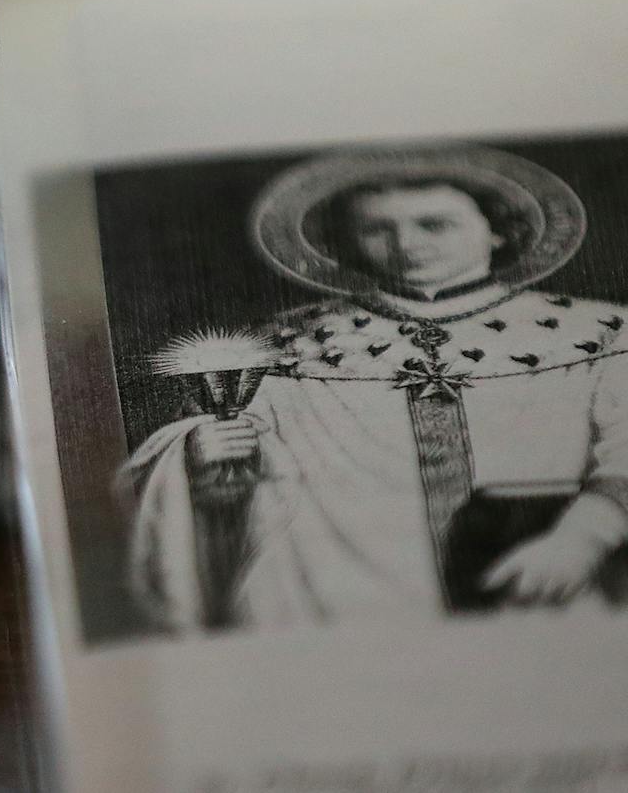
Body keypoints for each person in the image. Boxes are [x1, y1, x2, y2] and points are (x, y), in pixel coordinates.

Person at [124, 146, 628, 633]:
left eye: (434, 224)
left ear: (497, 230)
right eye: (376, 229)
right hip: (328, 602)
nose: (407, 245)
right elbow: (228, 500)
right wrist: (199, 459)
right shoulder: (275, 349)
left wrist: (583, 538)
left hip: (546, 589)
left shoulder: (600, 331)